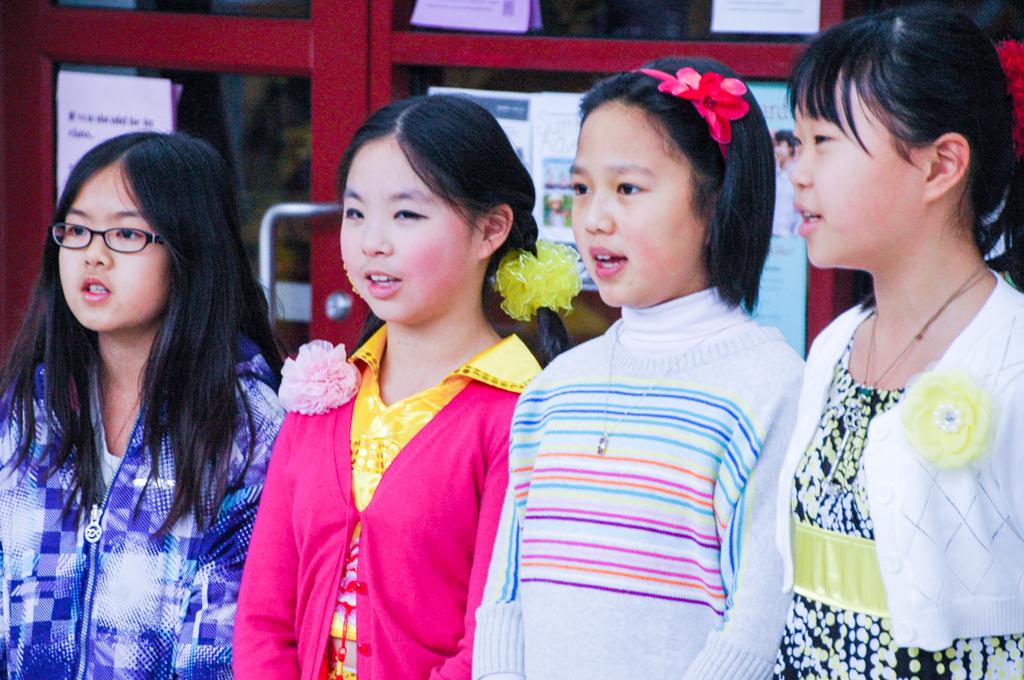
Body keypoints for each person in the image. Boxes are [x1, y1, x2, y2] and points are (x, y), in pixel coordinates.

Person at [474, 57, 804, 680]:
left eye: (627, 189)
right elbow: (506, 597)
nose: (594, 218)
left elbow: (757, 627)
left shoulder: (772, 390)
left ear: (717, 200)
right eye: (581, 189)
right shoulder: (554, 388)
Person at [233, 95, 581, 680]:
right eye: (355, 213)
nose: (372, 241)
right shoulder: (324, 393)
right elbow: (263, 617)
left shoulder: (522, 416)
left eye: (406, 215)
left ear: (491, 229)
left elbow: (494, 640)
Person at [773, 8, 1024, 679]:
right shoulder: (835, 345)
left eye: (824, 141)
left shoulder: (1013, 355)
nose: (798, 172)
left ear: (941, 165)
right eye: (796, 141)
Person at [0, 132, 285, 680]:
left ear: (189, 251)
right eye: (76, 230)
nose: (93, 254)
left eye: (126, 233)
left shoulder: (243, 425)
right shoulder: (33, 406)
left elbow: (221, 649)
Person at [772, 130, 802, 237]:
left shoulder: (798, 175)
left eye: (780, 145)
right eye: (775, 145)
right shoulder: (772, 175)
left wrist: (796, 236)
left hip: (791, 238)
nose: (776, 150)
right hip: (771, 237)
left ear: (790, 148)